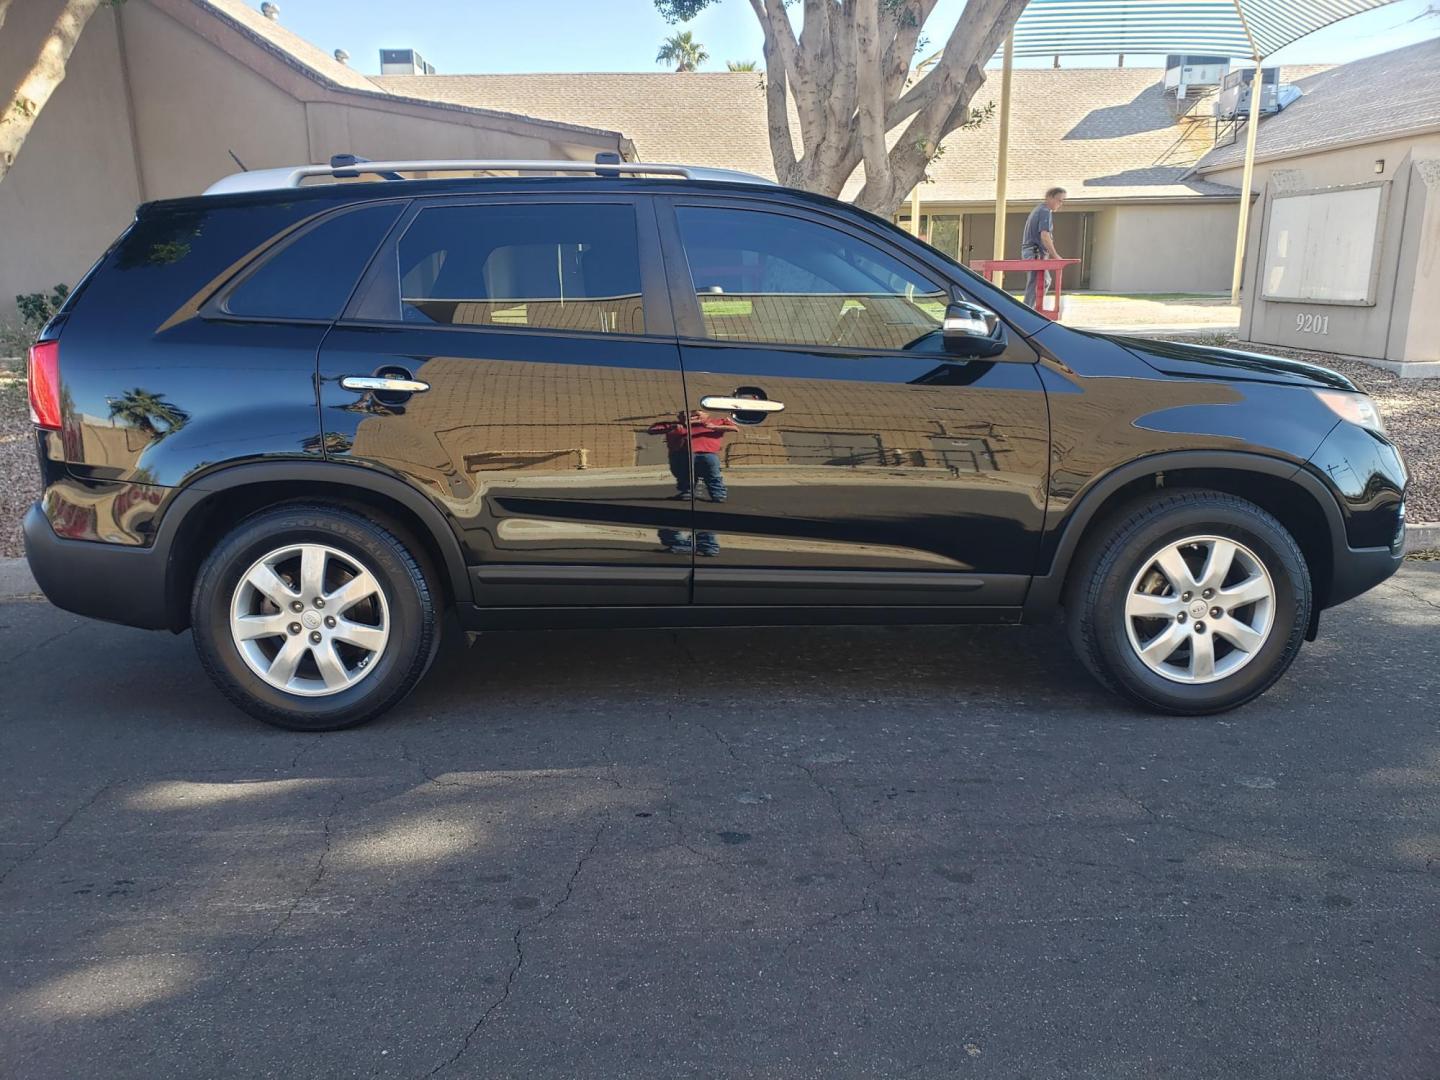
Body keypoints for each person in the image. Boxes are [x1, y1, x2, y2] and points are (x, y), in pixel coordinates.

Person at [647, 409, 736, 503]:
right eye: (686, 415)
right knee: (683, 475)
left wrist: (713, 427)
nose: (692, 417)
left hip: (707, 454)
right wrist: (674, 427)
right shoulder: (674, 425)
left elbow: (734, 428)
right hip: (681, 455)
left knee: (712, 475)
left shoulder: (716, 422)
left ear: (707, 415)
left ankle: (718, 495)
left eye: (697, 415)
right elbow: (651, 430)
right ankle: (687, 493)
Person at [1021, 187, 1067, 310]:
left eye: (1063, 201)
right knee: (1040, 282)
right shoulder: (1044, 211)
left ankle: (1028, 309)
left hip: (1032, 251)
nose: (1060, 204)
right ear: (1050, 197)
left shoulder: (1039, 209)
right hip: (1035, 251)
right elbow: (1045, 235)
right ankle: (1028, 311)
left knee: (1039, 282)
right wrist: (1055, 255)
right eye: (1059, 200)